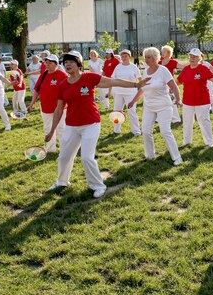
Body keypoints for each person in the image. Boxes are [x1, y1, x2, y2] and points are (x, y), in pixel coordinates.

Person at [44, 51, 150, 197]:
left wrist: (136, 84)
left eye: (71, 62)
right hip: (72, 125)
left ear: (79, 64)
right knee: (63, 157)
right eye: (65, 62)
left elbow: (113, 81)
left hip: (91, 124)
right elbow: (58, 110)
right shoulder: (63, 85)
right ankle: (62, 182)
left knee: (87, 157)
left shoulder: (90, 78)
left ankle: (98, 185)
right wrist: (52, 131)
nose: (67, 64)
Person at [127, 47, 183, 165]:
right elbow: (142, 89)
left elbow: (173, 86)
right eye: (145, 57)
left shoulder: (163, 70)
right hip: (149, 107)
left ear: (155, 58)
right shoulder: (145, 71)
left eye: (149, 57)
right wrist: (133, 101)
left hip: (164, 106)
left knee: (165, 131)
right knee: (146, 131)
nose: (146, 59)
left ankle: (177, 157)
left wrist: (178, 100)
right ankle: (150, 156)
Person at [177, 48, 213, 147]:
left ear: (200, 58)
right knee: (187, 122)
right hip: (187, 101)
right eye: (191, 56)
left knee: (204, 122)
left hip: (202, 101)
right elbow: (178, 81)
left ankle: (209, 142)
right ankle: (186, 141)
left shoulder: (204, 68)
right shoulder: (186, 69)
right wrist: (170, 88)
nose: (192, 58)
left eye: (195, 57)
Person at [27, 54, 69, 152]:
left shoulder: (62, 75)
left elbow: (69, 91)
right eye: (46, 62)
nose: (47, 64)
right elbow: (37, 90)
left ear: (56, 64)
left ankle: (65, 149)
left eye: (50, 63)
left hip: (60, 109)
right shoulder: (43, 75)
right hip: (45, 108)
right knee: (47, 128)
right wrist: (32, 104)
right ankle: (50, 149)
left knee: (61, 129)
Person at [109, 49, 142, 135]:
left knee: (131, 112)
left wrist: (141, 90)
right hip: (118, 92)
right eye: (122, 56)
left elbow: (140, 80)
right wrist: (109, 91)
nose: (124, 58)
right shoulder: (118, 67)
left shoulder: (133, 67)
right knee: (117, 111)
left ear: (129, 56)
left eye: (125, 56)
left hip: (130, 93)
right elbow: (112, 79)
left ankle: (136, 131)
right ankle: (116, 130)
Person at [159, 45, 181, 123]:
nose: (162, 53)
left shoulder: (173, 62)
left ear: (169, 53)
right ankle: (159, 118)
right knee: (161, 102)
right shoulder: (159, 62)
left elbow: (183, 68)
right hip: (161, 85)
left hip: (170, 85)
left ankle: (176, 119)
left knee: (172, 101)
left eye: (164, 51)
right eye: (162, 51)